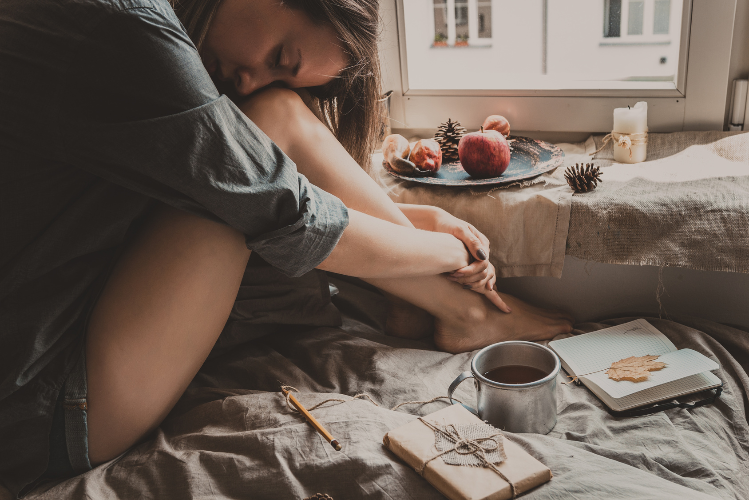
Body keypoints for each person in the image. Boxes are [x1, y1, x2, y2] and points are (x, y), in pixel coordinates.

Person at [0, 0, 573, 496]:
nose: (248, 80)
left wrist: (410, 225)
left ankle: (445, 308)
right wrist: (452, 256)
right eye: (281, 56)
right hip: (46, 405)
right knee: (263, 133)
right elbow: (289, 213)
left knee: (269, 119)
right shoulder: (125, 32)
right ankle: (466, 308)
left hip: (68, 328)